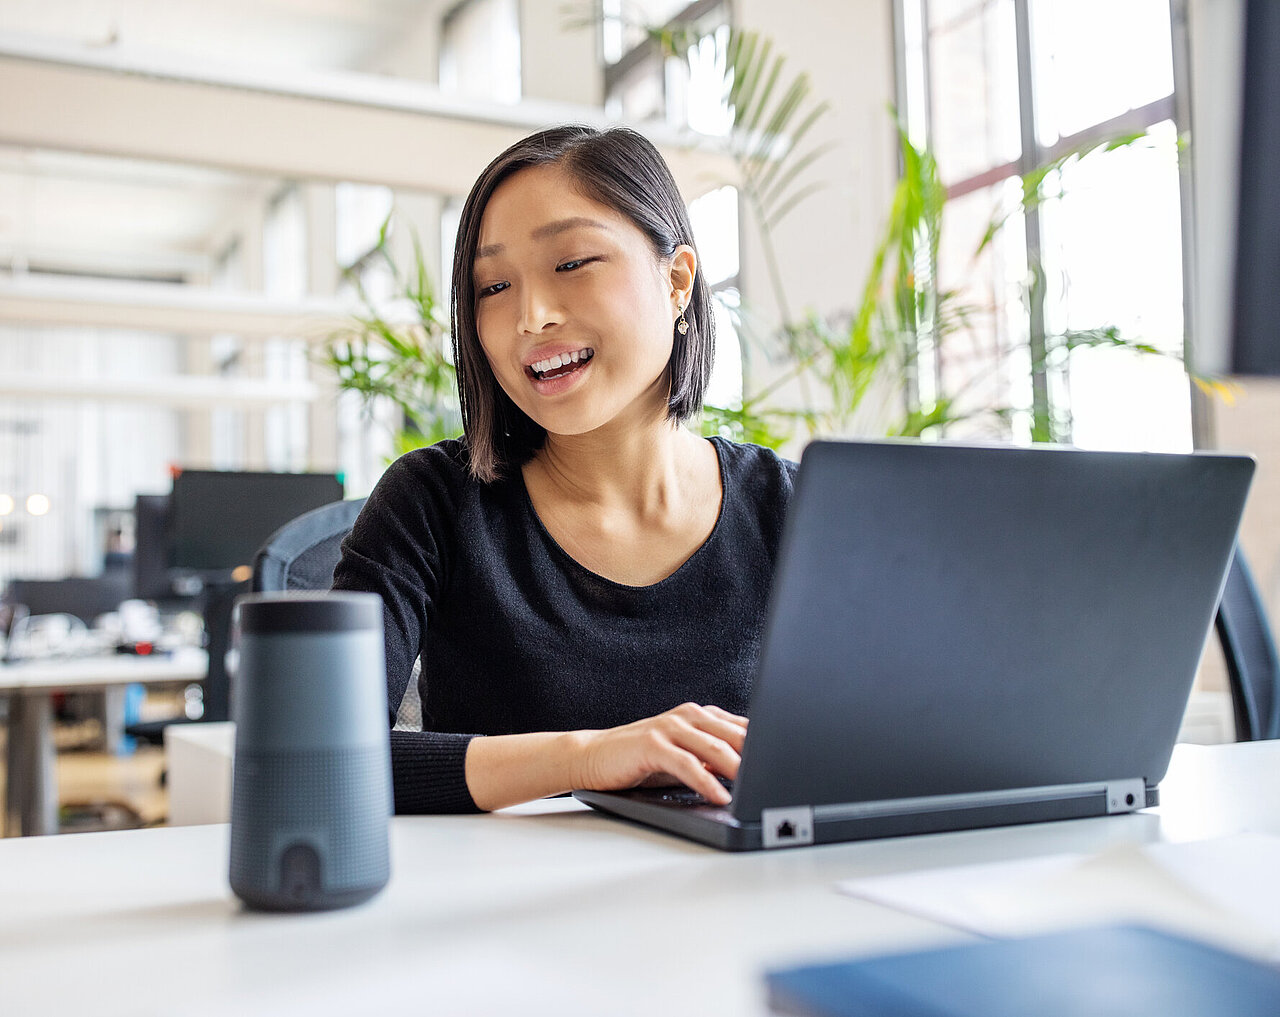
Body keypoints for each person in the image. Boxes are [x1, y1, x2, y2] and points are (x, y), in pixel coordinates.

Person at [332, 124, 796, 814]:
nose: (531, 315)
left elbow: (900, 729)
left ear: (676, 281)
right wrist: (588, 756)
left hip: (765, 903)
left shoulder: (791, 507)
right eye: (492, 285)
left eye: (572, 263)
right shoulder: (430, 504)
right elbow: (321, 756)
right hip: (513, 911)